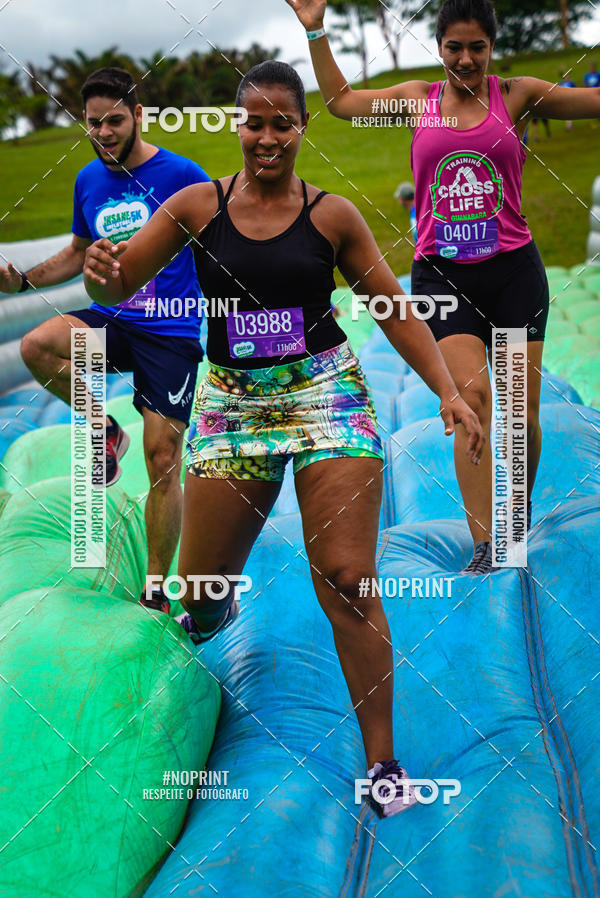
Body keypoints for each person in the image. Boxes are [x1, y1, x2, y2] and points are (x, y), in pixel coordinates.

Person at [82, 60, 483, 817]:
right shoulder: (197, 205)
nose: (267, 138)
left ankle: (384, 764)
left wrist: (449, 389)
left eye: (283, 123)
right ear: (236, 126)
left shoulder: (332, 217)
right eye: (254, 122)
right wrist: (101, 274)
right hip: (235, 404)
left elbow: (393, 309)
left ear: (302, 128)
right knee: (197, 598)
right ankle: (217, 609)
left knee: (347, 577)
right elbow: (117, 280)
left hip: (326, 392)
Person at [285, 0, 600, 574]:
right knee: (470, 404)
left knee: (519, 413)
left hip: (512, 274)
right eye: (454, 46)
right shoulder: (416, 100)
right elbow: (340, 104)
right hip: (445, 277)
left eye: (476, 46)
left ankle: (516, 519)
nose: (465, 58)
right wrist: (316, 29)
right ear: (439, 47)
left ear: (491, 48)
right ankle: (486, 544)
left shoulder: (520, 94)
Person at [0, 67, 210, 611]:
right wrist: (24, 280)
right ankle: (103, 428)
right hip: (113, 321)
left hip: (171, 330)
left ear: (138, 115)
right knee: (36, 346)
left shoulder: (182, 173)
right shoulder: (88, 181)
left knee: (163, 458)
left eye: (114, 121)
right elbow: (76, 252)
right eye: (93, 124)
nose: (104, 133)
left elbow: (221, 245)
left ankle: (157, 588)